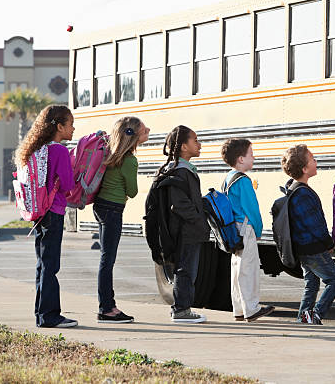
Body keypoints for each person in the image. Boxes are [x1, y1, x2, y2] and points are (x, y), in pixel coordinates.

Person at [15, 104, 76, 328]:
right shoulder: (59, 151)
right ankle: (50, 316)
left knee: (43, 264)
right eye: (70, 125)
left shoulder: (38, 149)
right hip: (54, 211)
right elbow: (68, 185)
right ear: (59, 126)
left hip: (39, 212)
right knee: (51, 265)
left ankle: (41, 313)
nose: (73, 129)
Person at [94, 116, 149, 323]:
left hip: (100, 206)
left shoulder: (111, 154)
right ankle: (107, 309)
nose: (148, 131)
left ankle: (108, 306)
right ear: (133, 137)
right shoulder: (130, 160)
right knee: (107, 261)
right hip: (113, 209)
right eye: (144, 131)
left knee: (105, 259)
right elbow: (133, 192)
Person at [281, 145, 335, 325]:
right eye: (313, 160)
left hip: (303, 247)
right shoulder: (303, 194)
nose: (316, 162)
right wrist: (328, 243)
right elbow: (314, 225)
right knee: (334, 280)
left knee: (312, 283)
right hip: (312, 247)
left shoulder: (294, 188)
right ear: (304, 169)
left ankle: (303, 316)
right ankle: (315, 314)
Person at [158, 125, 211, 323]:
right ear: (183, 147)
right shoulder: (180, 172)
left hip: (188, 230)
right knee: (186, 269)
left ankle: (183, 308)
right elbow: (180, 204)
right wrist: (199, 219)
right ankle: (181, 310)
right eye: (195, 140)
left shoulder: (182, 170)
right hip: (186, 231)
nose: (199, 144)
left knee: (188, 269)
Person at [221, 138, 275, 322]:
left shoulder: (228, 177)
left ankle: (239, 309)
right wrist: (258, 230)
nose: (254, 158)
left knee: (237, 269)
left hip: (234, 229)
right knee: (249, 269)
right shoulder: (243, 181)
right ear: (241, 159)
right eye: (251, 154)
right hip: (246, 228)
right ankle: (252, 309)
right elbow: (252, 209)